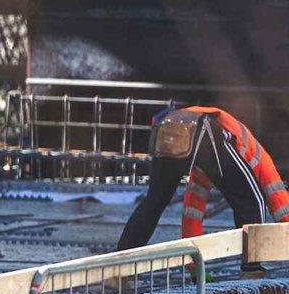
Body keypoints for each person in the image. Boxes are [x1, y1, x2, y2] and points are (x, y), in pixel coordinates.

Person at [118, 105, 289, 249]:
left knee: (154, 202)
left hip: (166, 130)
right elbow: (281, 205)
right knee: (252, 202)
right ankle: (253, 270)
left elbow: (191, 214)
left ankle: (119, 270)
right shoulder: (262, 161)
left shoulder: (201, 171)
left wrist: (195, 269)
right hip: (203, 131)